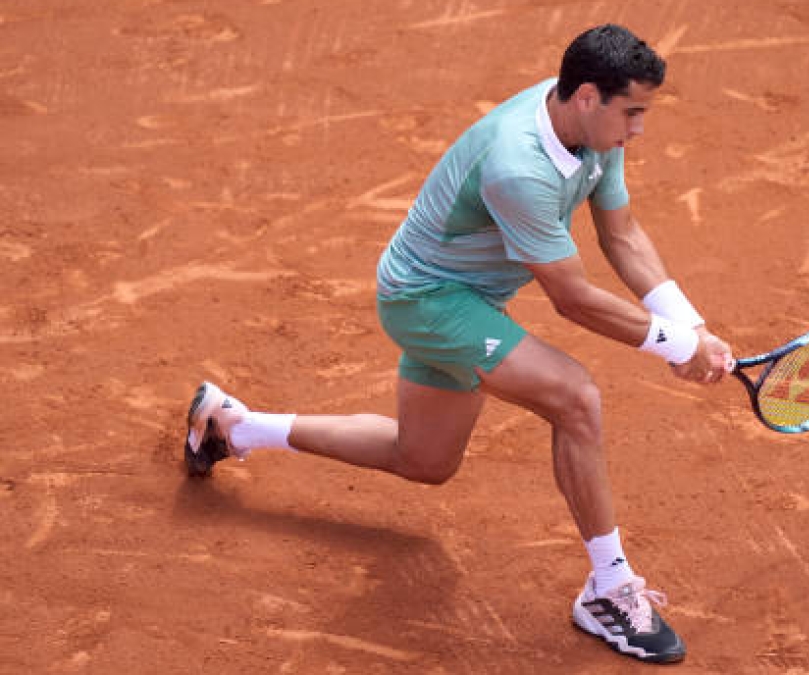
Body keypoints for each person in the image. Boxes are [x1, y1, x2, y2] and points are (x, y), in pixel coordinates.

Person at [183, 23, 732, 664]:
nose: (638, 130)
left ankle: (232, 426)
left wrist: (688, 326)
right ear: (587, 95)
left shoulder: (588, 127)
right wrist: (671, 346)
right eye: (632, 113)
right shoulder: (519, 165)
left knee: (423, 459)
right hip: (428, 302)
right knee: (575, 397)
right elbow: (572, 298)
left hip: (467, 299)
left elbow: (623, 234)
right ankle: (608, 590)